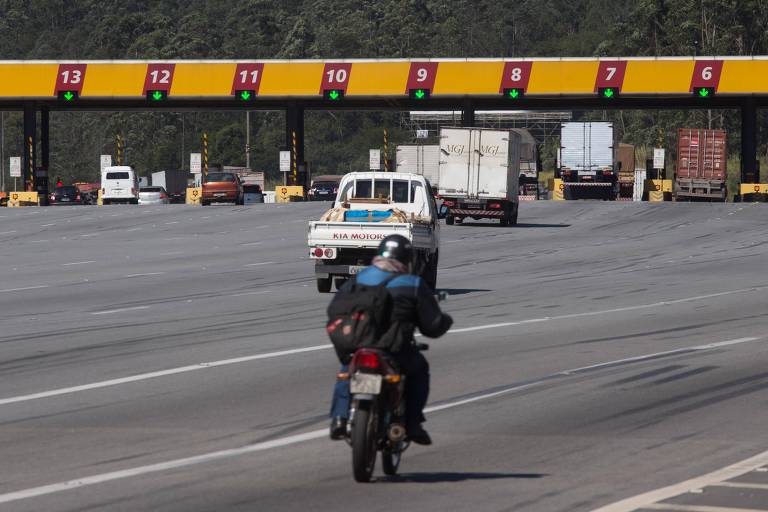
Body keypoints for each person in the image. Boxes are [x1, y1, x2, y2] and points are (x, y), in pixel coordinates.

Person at [329, 234, 452, 445]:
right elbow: (432, 326)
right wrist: (444, 321)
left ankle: (339, 418)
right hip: (394, 349)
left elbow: (334, 310)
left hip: (358, 343)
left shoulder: (358, 279)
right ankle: (413, 423)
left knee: (346, 368)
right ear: (407, 258)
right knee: (419, 370)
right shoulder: (413, 284)